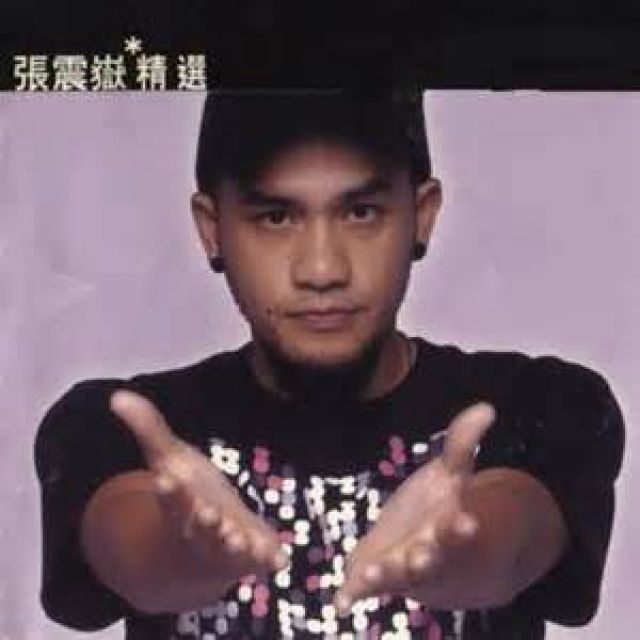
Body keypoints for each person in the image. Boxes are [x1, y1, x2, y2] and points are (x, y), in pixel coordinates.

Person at [35, 89, 624, 639]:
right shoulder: (119, 425)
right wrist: (182, 551)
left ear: (420, 215)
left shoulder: (538, 405)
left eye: (361, 212)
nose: (322, 269)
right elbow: (127, 547)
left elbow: (517, 535)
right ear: (213, 230)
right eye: (275, 217)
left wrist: (462, 551)